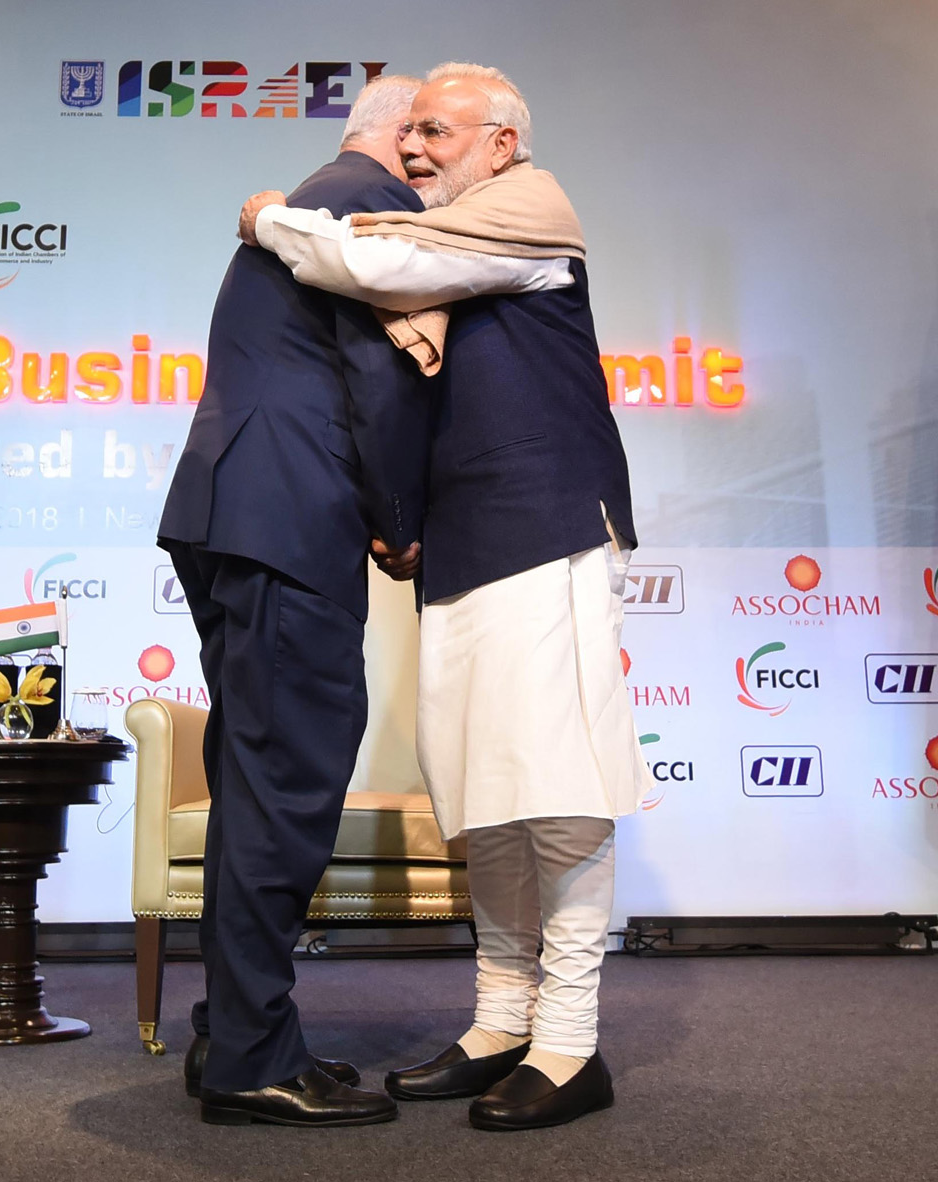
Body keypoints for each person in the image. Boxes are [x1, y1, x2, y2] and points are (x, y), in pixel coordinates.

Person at [237, 62, 646, 1132]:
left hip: (547, 525)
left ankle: (568, 1042)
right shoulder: (464, 234)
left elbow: (376, 257)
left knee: (555, 790)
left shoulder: (528, 207)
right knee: (487, 797)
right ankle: (499, 1021)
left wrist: (272, 217)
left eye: (437, 130)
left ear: (501, 141)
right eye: (408, 131)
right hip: (467, 545)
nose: (414, 149)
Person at [153, 73, 429, 1129]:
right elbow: (383, 388)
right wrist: (403, 522)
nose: (439, 163)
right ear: (400, 141)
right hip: (286, 523)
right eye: (431, 137)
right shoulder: (371, 204)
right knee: (288, 783)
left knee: (256, 782)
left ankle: (231, 1031)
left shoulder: (313, 195)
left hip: (236, 516)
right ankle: (250, 1059)